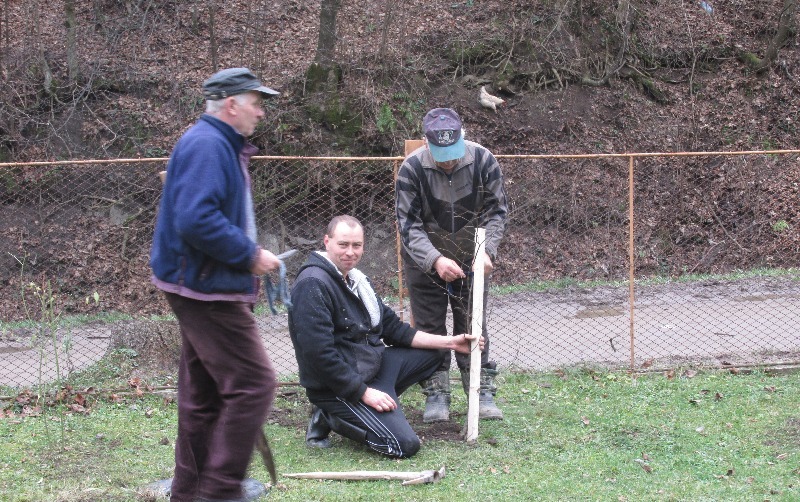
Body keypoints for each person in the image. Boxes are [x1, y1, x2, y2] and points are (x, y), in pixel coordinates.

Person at [150, 67, 282, 502]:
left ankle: (189, 494)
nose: (261, 112)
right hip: (208, 291)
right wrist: (250, 255)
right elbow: (196, 218)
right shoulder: (208, 145)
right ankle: (220, 493)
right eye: (256, 103)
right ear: (232, 104)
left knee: (202, 397)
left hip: (202, 285)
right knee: (254, 384)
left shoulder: (218, 145)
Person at [288, 215, 483, 458]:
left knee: (434, 353)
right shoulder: (312, 284)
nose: (350, 252)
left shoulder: (356, 280)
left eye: (356, 245)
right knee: (404, 445)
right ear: (326, 242)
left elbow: (394, 329)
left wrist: (451, 343)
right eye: (343, 244)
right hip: (336, 385)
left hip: (372, 367)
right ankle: (332, 416)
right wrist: (364, 393)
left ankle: (378, 402)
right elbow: (319, 356)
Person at [395, 107, 508, 423]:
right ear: (426, 142)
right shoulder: (411, 170)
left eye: (453, 152)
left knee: (473, 325)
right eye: (441, 154)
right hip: (424, 261)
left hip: (473, 259)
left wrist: (488, 252)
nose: (448, 160)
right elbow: (408, 225)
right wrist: (435, 260)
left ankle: (481, 392)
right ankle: (437, 394)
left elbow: (496, 212)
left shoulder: (483, 161)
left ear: (463, 137)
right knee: (429, 328)